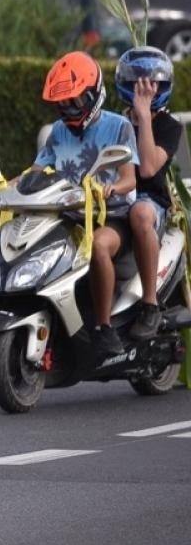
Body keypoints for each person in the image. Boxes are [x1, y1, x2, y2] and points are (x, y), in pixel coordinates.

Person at [33, 51, 138, 357]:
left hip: (112, 216)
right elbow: (35, 172)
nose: (67, 110)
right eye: (61, 104)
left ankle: (104, 328)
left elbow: (130, 179)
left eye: (74, 102)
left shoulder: (119, 127)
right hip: (70, 216)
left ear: (94, 95)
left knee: (99, 246)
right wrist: (4, 187)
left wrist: (111, 188)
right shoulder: (58, 131)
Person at [115, 47, 182, 340]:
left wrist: (143, 116)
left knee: (140, 213)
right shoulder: (113, 122)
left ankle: (150, 304)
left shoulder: (169, 126)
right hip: (112, 198)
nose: (145, 89)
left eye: (153, 84)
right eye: (137, 83)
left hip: (148, 203)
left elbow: (148, 168)